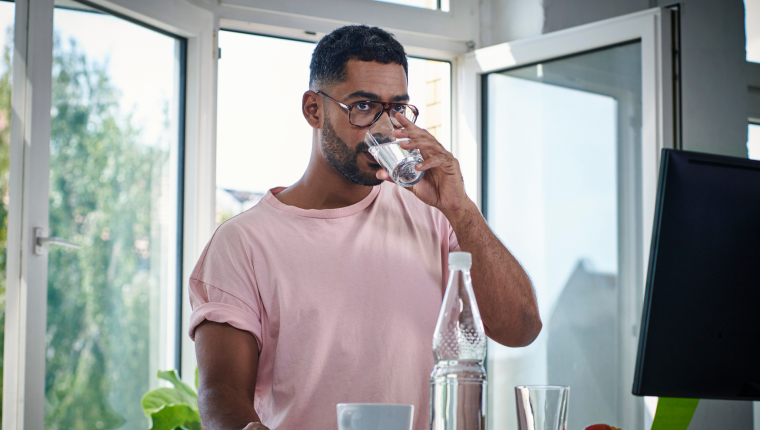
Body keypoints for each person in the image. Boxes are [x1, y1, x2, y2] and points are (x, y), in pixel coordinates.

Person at [189, 25, 541, 430]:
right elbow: (221, 394)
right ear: (313, 109)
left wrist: (461, 209)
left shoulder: (435, 216)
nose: (384, 128)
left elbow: (521, 328)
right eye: (363, 106)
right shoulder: (243, 243)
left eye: (396, 109)